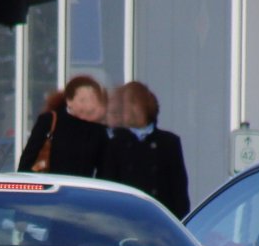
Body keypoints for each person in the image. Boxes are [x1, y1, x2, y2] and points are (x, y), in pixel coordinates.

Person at [100, 80, 191, 218]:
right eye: (125, 106)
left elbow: (179, 193)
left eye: (134, 104)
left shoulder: (169, 142)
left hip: (159, 221)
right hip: (125, 220)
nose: (129, 111)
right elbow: (107, 188)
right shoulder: (115, 143)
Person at [17, 75, 108, 178]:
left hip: (81, 189)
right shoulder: (49, 120)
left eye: (92, 100)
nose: (88, 106)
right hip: (51, 186)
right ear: (69, 100)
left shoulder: (98, 130)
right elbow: (29, 157)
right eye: (82, 100)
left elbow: (104, 169)